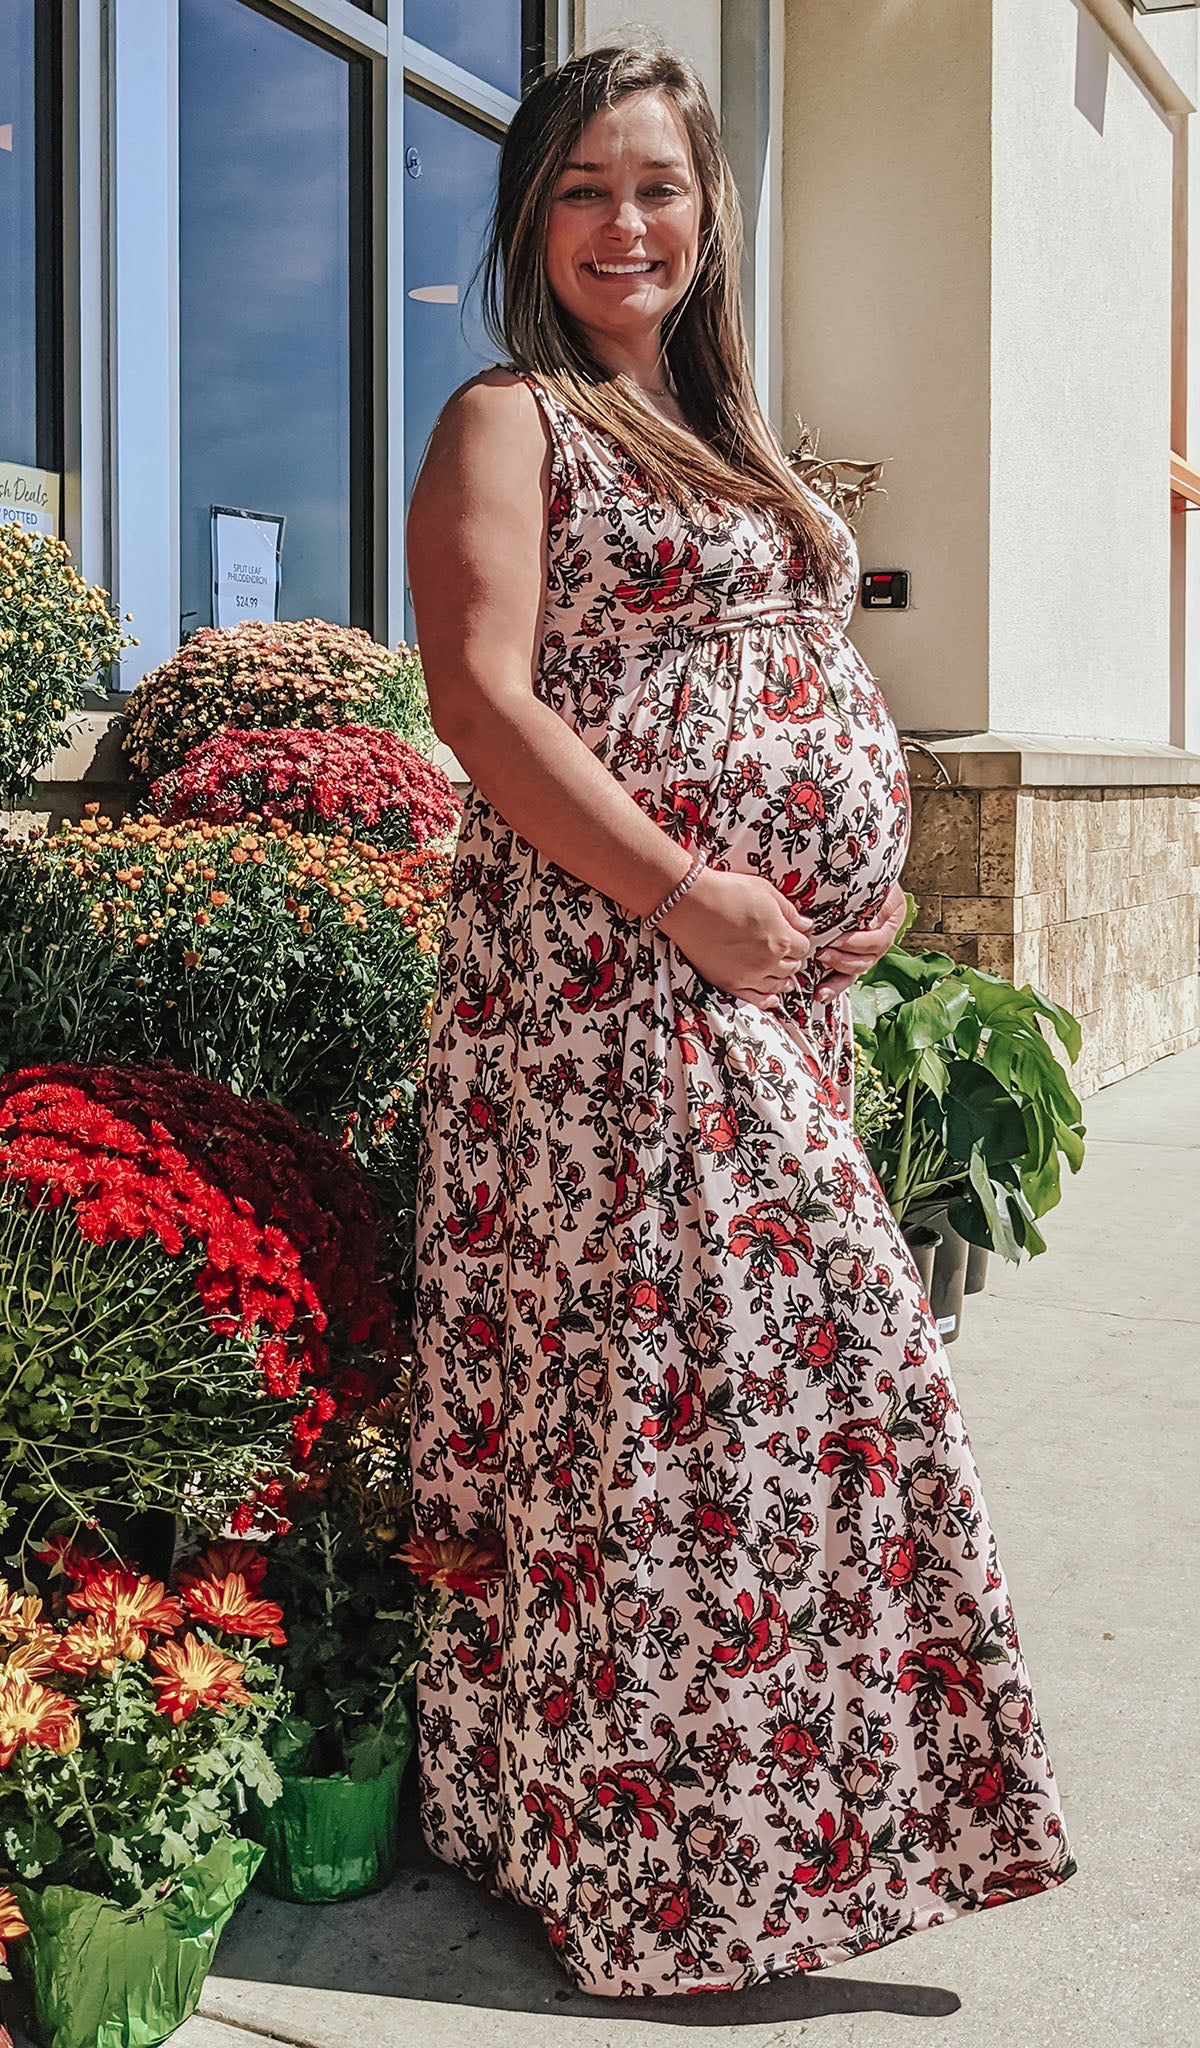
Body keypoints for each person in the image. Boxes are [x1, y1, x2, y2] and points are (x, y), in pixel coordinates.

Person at [405, 41, 1076, 1999]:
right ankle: (664, 1870)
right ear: (537, 216)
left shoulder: (721, 424)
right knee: (729, 1422)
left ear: (709, 217)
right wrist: (692, 892)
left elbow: (783, 670)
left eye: (663, 189)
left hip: (746, 1008)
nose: (630, 224)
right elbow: (482, 699)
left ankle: (783, 1852)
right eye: (591, 188)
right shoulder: (508, 416)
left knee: (749, 1434)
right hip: (612, 1011)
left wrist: (834, 891)